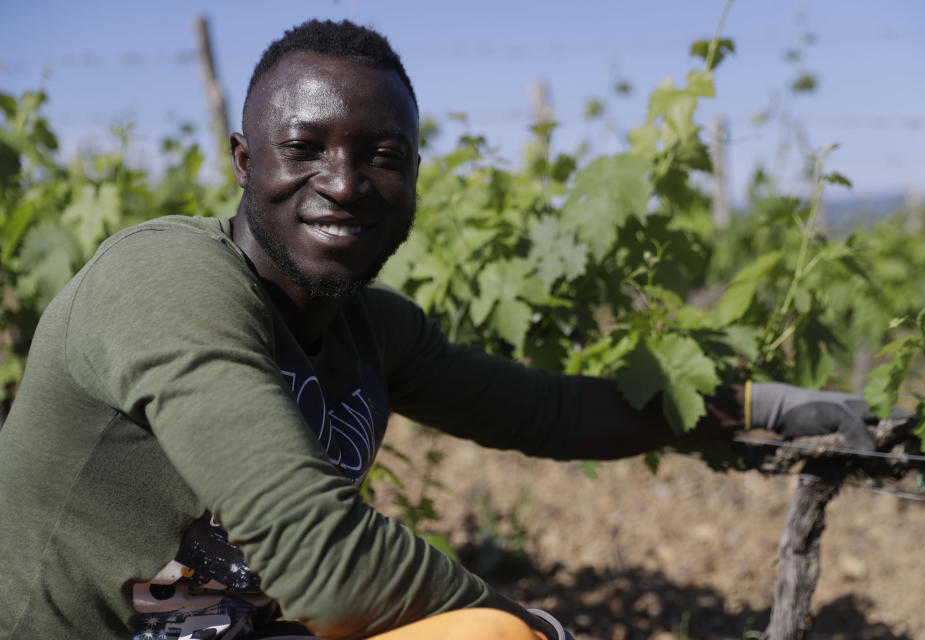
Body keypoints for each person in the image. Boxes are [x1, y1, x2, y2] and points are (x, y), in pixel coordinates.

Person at [0, 19, 878, 640]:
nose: (343, 184)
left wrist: (755, 404)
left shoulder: (368, 329)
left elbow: (550, 413)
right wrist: (525, 624)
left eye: (382, 155)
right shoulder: (164, 282)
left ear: (415, 174)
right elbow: (326, 567)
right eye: (305, 148)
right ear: (242, 161)